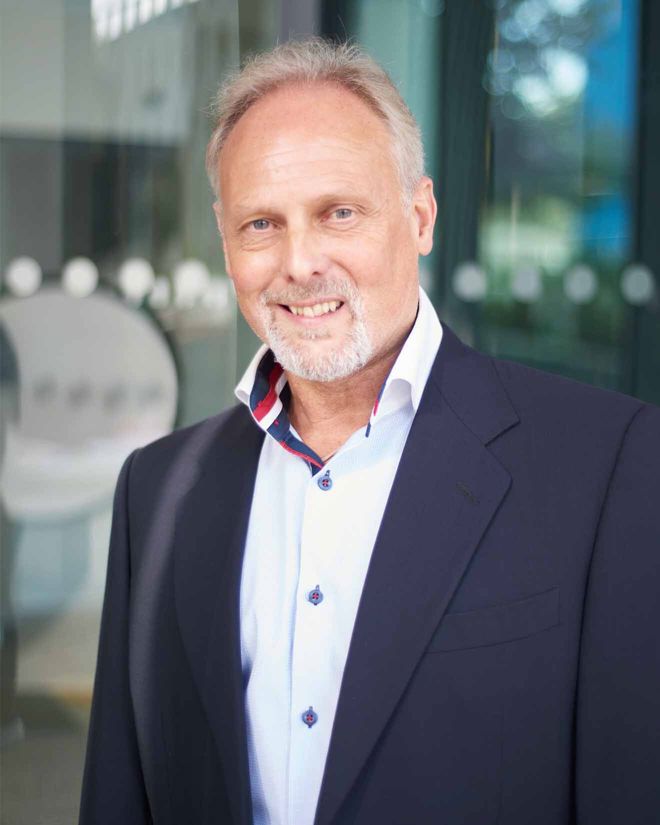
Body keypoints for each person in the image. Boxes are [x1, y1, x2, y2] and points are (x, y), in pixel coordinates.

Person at [79, 38, 660, 825]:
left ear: (420, 217)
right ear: (225, 240)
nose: (299, 262)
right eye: (261, 223)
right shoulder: (156, 491)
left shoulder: (607, 466)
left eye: (338, 212)